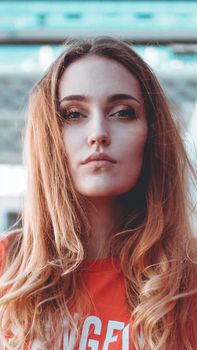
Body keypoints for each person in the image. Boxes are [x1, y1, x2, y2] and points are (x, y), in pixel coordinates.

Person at [0, 36, 196, 350]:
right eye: (74, 115)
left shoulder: (188, 281)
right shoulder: (5, 267)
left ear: (151, 133)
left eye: (122, 113)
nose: (98, 135)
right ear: (51, 137)